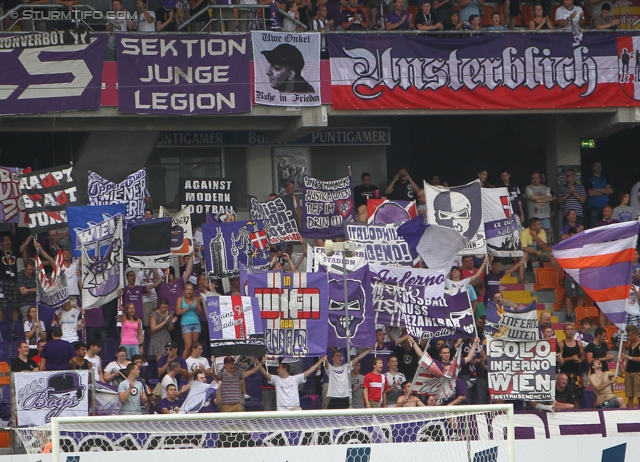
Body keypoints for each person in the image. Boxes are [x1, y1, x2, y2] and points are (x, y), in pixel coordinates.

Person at [258, 356, 326, 411]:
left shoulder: (295, 379)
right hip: (282, 410)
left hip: (295, 408)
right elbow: (264, 373)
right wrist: (258, 362)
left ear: (285, 369)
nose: (277, 370)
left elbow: (309, 372)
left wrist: (320, 361)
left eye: (279, 368)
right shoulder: (276, 379)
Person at [558, 323, 584, 406]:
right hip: (565, 373)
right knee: (566, 395)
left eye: (571, 329)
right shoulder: (561, 344)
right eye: (568, 329)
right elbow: (559, 360)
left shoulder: (579, 344)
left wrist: (580, 360)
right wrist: (571, 358)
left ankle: (576, 414)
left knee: (577, 396)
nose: (570, 331)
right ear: (564, 332)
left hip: (577, 373)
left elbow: (583, 356)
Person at [176, 283, 202, 359]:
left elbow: (200, 313)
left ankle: (192, 362)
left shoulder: (196, 299)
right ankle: (183, 364)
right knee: (188, 346)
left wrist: (197, 308)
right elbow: (177, 312)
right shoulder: (180, 299)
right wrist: (187, 308)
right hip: (185, 323)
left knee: (194, 346)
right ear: (184, 291)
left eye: (191, 289)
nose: (189, 291)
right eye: (188, 289)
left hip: (196, 323)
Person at [586, 161, 613, 227]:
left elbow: (610, 191)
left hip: (605, 207)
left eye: (600, 166)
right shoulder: (589, 178)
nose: (598, 168)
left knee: (605, 226)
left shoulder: (605, 178)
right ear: (592, 168)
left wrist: (597, 190)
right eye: (596, 166)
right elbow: (590, 193)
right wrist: (604, 191)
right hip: (594, 207)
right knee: (594, 226)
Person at [0, 235, 18, 322]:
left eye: (8, 240)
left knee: (16, 305)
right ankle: (1, 329)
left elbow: (23, 246)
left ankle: (15, 328)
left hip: (14, 281)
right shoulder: (0, 253)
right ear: (2, 243)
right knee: (2, 306)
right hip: (3, 282)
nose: (7, 242)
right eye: (5, 240)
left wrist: (31, 235)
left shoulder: (14, 253)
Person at [621, 324, 640, 408]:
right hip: (629, 371)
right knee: (630, 395)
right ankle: (630, 414)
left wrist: (629, 357)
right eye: (628, 335)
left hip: (638, 372)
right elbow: (628, 357)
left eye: (630, 335)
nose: (629, 337)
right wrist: (624, 369)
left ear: (636, 334)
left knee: (639, 395)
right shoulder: (629, 344)